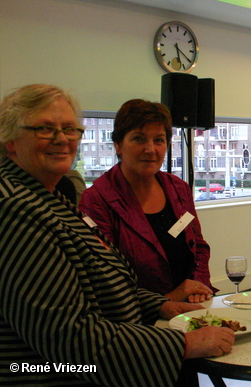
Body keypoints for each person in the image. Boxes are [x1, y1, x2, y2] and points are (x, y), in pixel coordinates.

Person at [0, 84, 234, 386]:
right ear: (10, 142)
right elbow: (69, 338)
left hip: (137, 341)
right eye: (45, 129)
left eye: (70, 129)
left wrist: (160, 306)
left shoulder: (49, 197)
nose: (61, 139)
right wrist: (184, 344)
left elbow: (102, 281)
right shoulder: (15, 210)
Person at [80, 99, 216, 303]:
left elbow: (199, 246)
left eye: (159, 140)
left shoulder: (178, 188)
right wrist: (166, 301)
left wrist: (198, 285)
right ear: (118, 145)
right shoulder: (97, 200)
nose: (150, 149)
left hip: (193, 304)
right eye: (139, 139)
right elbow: (104, 278)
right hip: (138, 320)